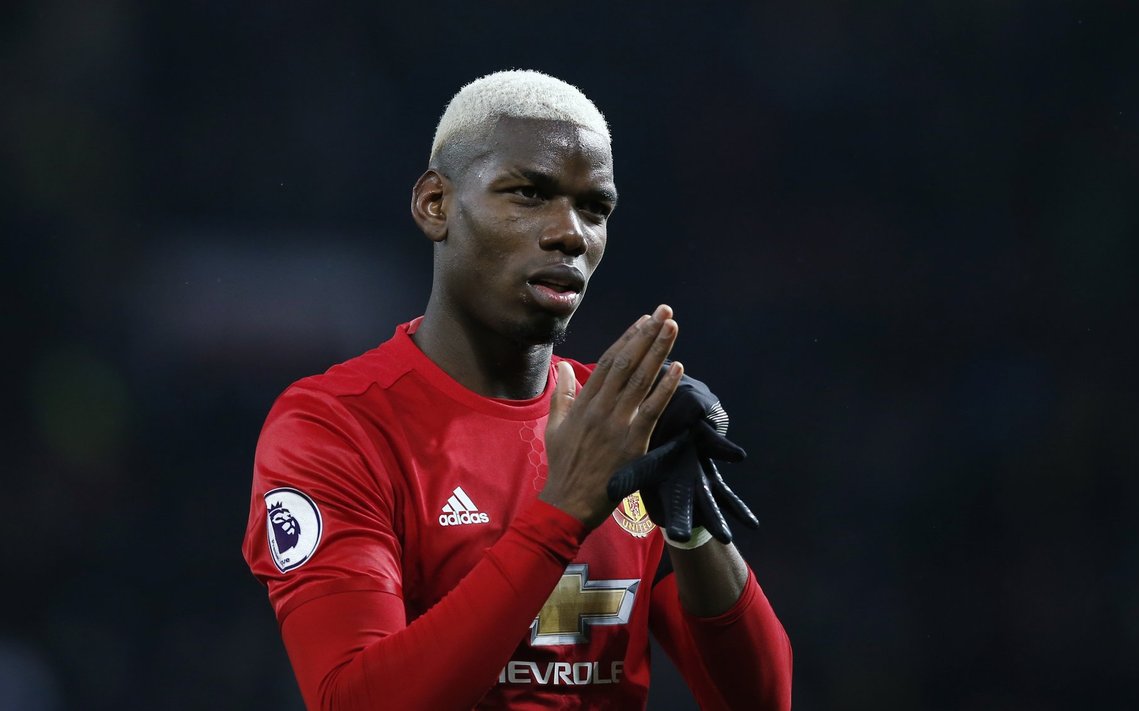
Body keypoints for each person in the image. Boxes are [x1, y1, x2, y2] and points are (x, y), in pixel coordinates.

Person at [242, 69, 792, 710]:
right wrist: (562, 511)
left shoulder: (622, 422)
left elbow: (762, 702)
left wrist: (691, 523)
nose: (571, 234)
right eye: (529, 194)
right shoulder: (335, 427)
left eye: (595, 209)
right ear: (435, 206)